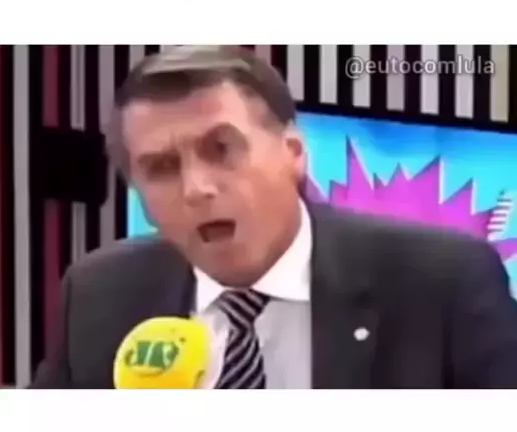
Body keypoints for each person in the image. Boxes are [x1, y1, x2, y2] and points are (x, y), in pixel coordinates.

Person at [30, 45, 517, 389]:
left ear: (294, 153)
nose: (197, 188)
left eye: (222, 149)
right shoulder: (100, 296)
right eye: (161, 168)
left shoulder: (445, 281)